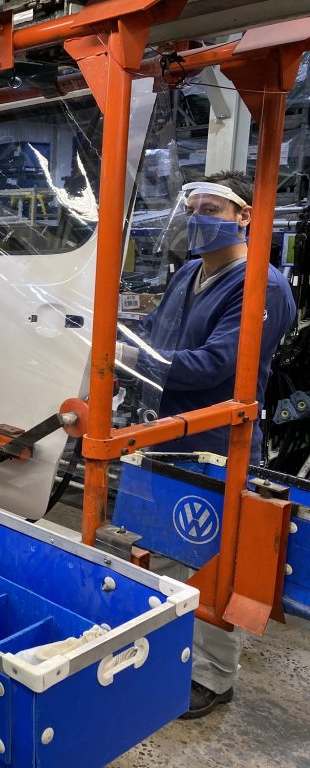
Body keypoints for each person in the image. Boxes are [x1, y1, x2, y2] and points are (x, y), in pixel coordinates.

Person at [117, 171, 297, 718]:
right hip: (164, 433)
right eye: (193, 208)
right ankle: (169, 653)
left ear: (245, 216)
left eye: (213, 209)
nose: (198, 219)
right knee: (164, 550)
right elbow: (156, 329)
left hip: (217, 446)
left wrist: (132, 359)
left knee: (212, 561)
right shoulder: (189, 272)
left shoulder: (262, 286)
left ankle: (212, 677)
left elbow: (217, 365)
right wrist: (113, 333)